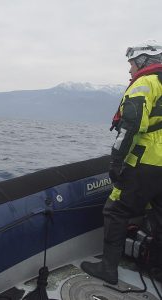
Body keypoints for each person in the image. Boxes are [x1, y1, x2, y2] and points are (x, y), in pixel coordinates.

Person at [81, 40, 162, 284]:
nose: (129, 70)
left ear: (143, 62)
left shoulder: (144, 84)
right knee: (159, 216)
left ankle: (108, 268)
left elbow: (130, 127)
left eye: (131, 64)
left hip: (145, 161)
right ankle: (157, 269)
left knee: (115, 210)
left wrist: (116, 161)